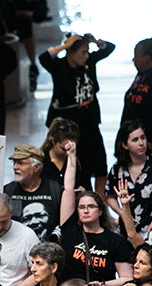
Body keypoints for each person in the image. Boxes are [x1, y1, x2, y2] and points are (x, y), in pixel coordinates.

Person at [40, 34, 114, 196]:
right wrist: (65, 46)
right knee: (81, 167)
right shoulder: (59, 66)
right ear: (70, 53)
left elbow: (109, 48)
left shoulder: (89, 63)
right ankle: (85, 201)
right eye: (82, 52)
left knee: (101, 166)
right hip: (70, 129)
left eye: (88, 51)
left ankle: (100, 203)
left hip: (91, 123)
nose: (87, 56)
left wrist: (94, 42)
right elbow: (43, 58)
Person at [59, 162, 133, 286]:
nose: (86, 210)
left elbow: (127, 279)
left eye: (91, 207)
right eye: (81, 207)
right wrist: (72, 156)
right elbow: (68, 190)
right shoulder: (70, 229)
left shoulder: (114, 241)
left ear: (100, 211)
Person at [105, 120, 152, 238]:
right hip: (126, 231)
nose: (141, 143)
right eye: (135, 140)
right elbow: (110, 196)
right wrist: (121, 213)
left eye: (142, 138)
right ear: (124, 145)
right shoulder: (117, 169)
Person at [3, 145, 63, 242]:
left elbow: (65, 224)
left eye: (20, 163)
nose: (15, 167)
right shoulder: (7, 191)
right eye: (14, 163)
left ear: (36, 167)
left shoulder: (55, 190)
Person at [39, 119, 84, 191]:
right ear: (53, 141)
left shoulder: (80, 163)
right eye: (63, 149)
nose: (68, 153)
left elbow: (88, 189)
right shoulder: (40, 162)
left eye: (71, 149)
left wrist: (83, 193)